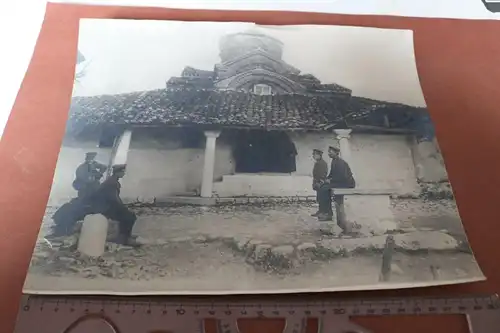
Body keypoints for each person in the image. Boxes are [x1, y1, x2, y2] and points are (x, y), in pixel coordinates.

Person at [91, 164, 140, 246]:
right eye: (122, 172)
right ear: (117, 172)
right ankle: (123, 238)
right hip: (105, 207)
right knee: (130, 216)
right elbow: (113, 199)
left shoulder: (112, 180)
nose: (124, 174)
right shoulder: (113, 183)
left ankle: (123, 236)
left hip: (106, 205)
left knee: (126, 214)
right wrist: (123, 207)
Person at [319, 146, 356, 233]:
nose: (329, 153)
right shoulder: (334, 161)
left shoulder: (340, 163)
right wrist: (325, 179)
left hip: (347, 183)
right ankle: (325, 211)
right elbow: (332, 174)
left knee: (325, 189)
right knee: (323, 187)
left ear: (336, 153)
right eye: (328, 152)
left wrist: (330, 181)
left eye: (330, 152)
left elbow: (342, 177)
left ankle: (328, 213)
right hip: (340, 182)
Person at [311, 149, 328, 217]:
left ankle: (323, 212)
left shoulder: (322, 163)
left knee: (322, 198)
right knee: (319, 198)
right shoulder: (318, 162)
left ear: (319, 155)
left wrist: (319, 182)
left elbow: (323, 174)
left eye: (314, 154)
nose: (313, 156)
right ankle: (320, 211)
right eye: (313, 154)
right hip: (318, 182)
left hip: (321, 183)